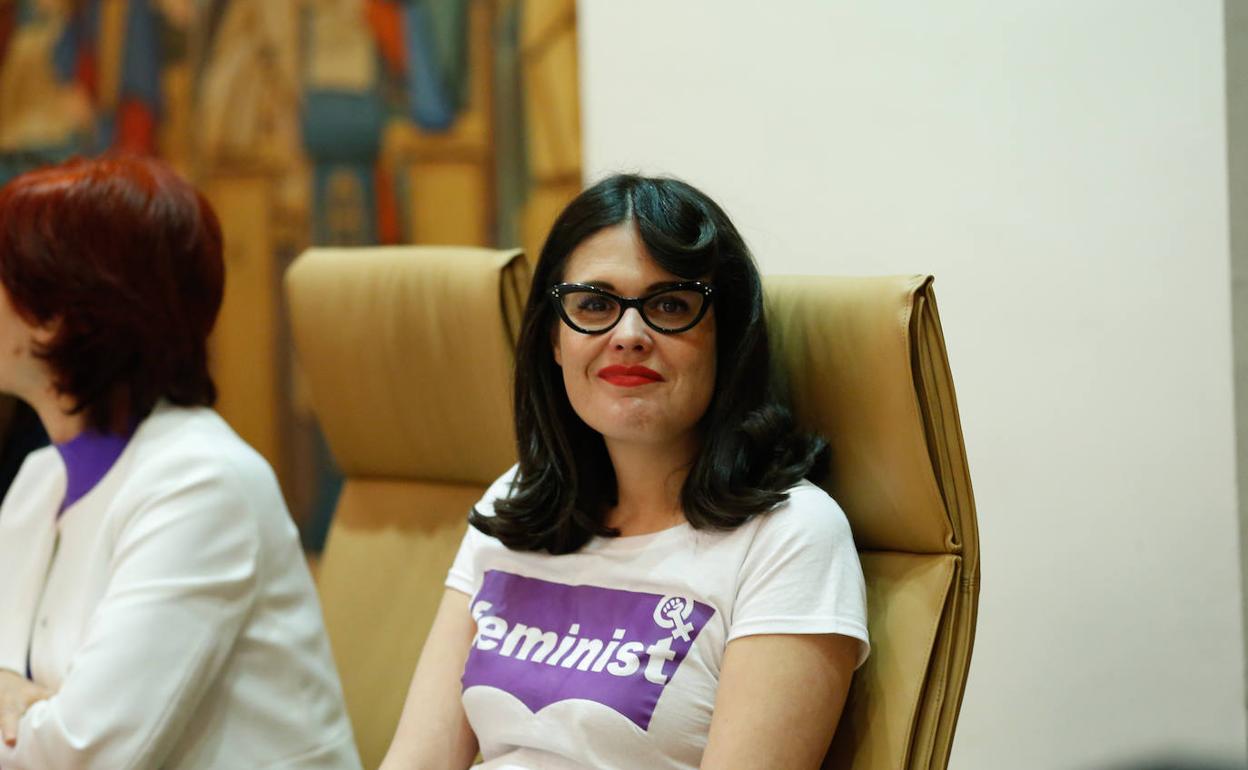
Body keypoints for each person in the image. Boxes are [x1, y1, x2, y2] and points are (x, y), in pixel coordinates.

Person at [381, 174, 870, 770]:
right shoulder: (518, 499)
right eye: (594, 304)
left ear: (727, 337)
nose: (629, 335)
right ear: (554, 341)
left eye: (669, 305)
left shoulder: (789, 535)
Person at [0, 156, 362, 769]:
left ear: (59, 313)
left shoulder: (203, 483)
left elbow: (81, 756)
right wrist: (39, 710)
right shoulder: (41, 478)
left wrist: (39, 712)